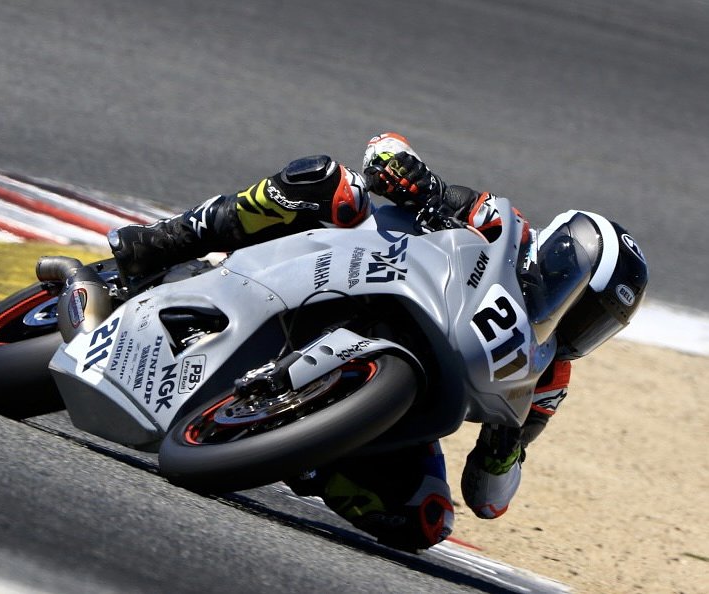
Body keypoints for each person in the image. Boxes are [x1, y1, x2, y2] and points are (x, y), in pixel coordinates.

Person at [108, 132, 649, 552]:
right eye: (584, 306)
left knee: (426, 517)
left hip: (405, 386)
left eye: (598, 324)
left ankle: (304, 454)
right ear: (555, 260)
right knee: (327, 182)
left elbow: (488, 499)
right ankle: (160, 245)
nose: (582, 329)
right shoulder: (499, 224)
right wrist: (414, 178)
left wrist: (510, 442)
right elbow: (384, 149)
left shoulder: (546, 377)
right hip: (351, 270)